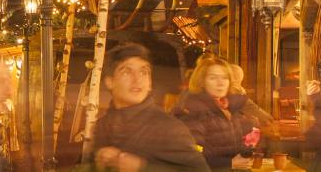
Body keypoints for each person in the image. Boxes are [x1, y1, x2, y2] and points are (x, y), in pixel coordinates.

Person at [92, 44, 209, 172]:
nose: (137, 80)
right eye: (127, 72)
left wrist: (142, 167)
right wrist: (97, 160)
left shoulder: (169, 128)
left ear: (150, 84)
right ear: (110, 82)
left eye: (144, 72)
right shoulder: (100, 126)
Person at [173, 58, 260, 171]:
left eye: (225, 78)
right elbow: (190, 156)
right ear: (201, 81)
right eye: (213, 78)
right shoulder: (193, 110)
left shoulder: (224, 108)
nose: (221, 83)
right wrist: (229, 163)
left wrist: (247, 148)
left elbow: (226, 146)